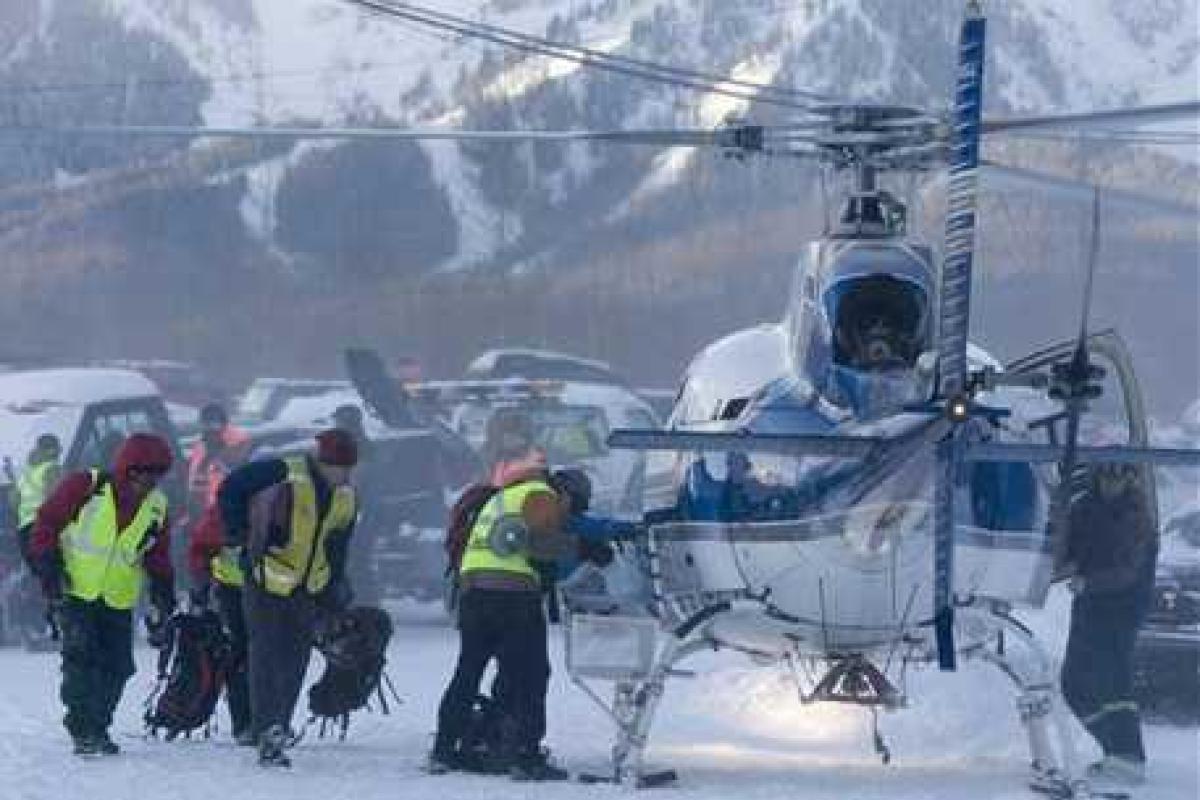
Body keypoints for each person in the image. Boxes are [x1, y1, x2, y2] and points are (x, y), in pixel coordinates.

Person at [428, 409, 575, 781]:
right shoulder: (541, 494)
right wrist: (577, 547)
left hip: (474, 591)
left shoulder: (498, 498)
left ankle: (445, 748)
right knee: (531, 673)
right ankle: (525, 755)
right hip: (512, 595)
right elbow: (543, 548)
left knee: (468, 670)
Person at [27, 433, 177, 755]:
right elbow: (47, 523)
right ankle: (83, 728)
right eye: (143, 474)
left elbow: (157, 554)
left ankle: (98, 725)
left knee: (119, 666)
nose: (149, 482)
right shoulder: (85, 487)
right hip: (75, 591)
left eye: (156, 475)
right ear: (127, 470)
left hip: (118, 598)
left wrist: (163, 591)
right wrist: (48, 568)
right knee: (81, 659)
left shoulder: (157, 507)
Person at [218, 428, 359, 768]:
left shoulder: (346, 497)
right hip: (266, 578)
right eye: (339, 467)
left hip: (307, 588)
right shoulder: (283, 470)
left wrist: (334, 588)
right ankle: (267, 730)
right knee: (266, 654)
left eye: (347, 469)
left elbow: (338, 546)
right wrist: (238, 533)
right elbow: (231, 488)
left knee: (295, 659)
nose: (343, 475)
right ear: (323, 461)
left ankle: (277, 722)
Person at [1060, 462, 1158, 788]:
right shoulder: (1083, 508)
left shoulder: (1137, 516)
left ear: (1130, 477)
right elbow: (1067, 547)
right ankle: (1112, 749)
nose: (1111, 482)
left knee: (1113, 684)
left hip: (1122, 610)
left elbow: (1129, 570)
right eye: (1106, 474)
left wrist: (1088, 581)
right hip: (1089, 607)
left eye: (1119, 475)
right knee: (1074, 683)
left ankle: (1128, 754)